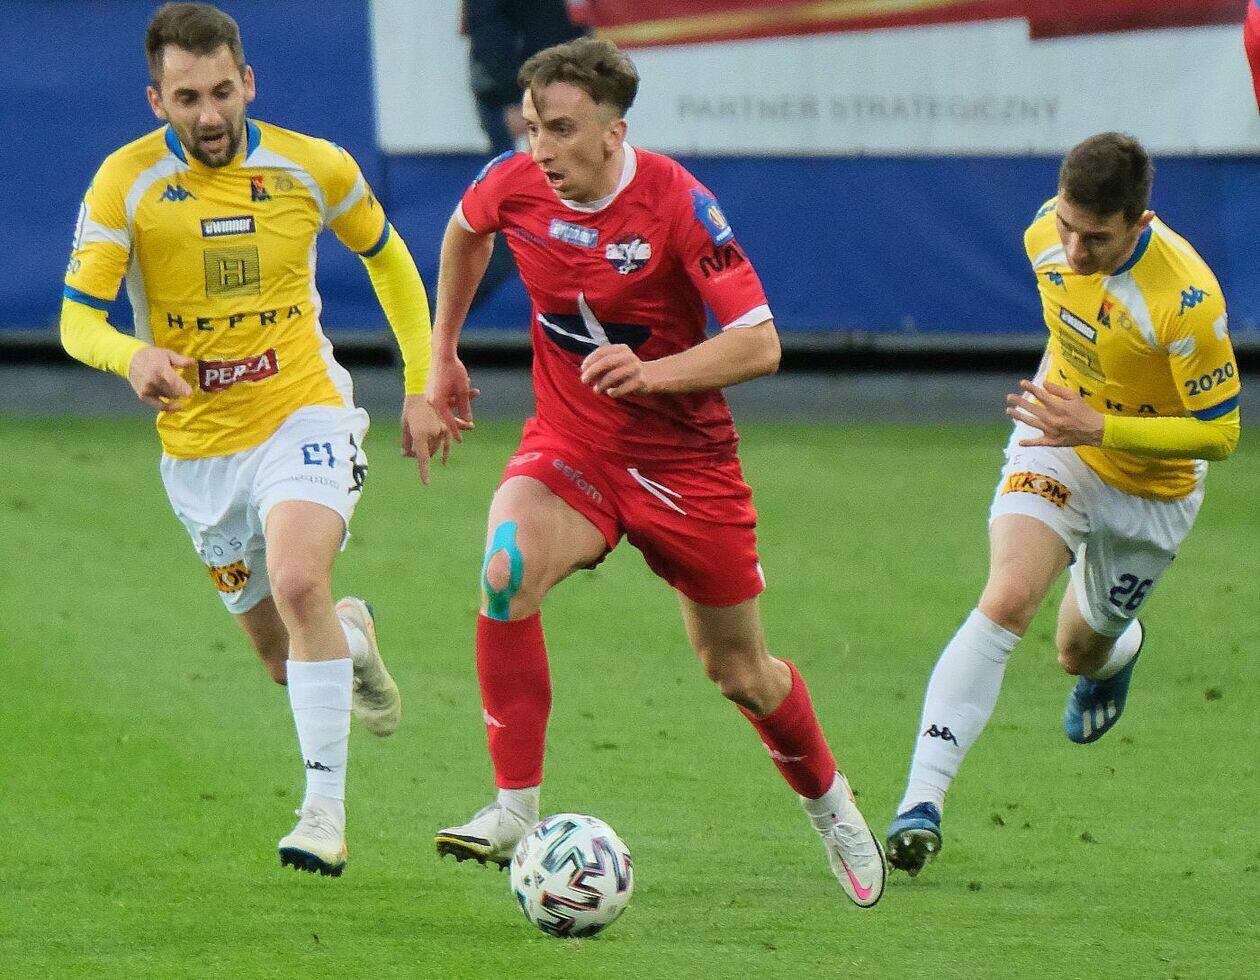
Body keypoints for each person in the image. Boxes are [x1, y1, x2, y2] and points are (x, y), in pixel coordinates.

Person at [427, 37, 886, 908]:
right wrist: (441, 353)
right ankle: (516, 808)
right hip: (574, 445)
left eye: (563, 130)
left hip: (687, 465)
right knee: (505, 571)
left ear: (614, 132)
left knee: (740, 673)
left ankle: (830, 805)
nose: (542, 150)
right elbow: (463, 234)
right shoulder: (514, 181)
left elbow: (760, 343)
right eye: (534, 129)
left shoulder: (679, 204)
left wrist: (653, 374)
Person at [60, 2, 448, 878]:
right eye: (187, 97)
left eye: (222, 92)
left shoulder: (313, 167)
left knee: (302, 577)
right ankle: (350, 637)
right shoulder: (125, 184)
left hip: (301, 414)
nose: (209, 114)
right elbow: (77, 321)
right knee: (283, 657)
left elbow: (389, 259)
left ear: (249, 83)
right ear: (156, 100)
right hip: (200, 454)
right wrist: (130, 356)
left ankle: (322, 815)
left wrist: (420, 383)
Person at [885, 133, 1241, 876]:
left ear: (1140, 222)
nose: (1075, 250)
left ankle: (1119, 650)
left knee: (1077, 650)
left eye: (1097, 238)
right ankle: (921, 802)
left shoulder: (1188, 302)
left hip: (1153, 489)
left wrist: (1103, 426)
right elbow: (1075, 328)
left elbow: (1222, 435)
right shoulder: (1042, 234)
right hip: (1059, 442)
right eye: (1069, 227)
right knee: (1007, 599)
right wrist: (1076, 423)